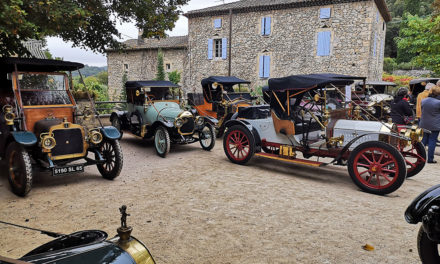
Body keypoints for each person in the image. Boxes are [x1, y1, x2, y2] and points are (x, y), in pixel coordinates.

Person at [419, 85, 440, 163]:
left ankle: (420, 157)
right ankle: (430, 159)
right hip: (435, 125)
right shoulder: (438, 103)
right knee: (432, 141)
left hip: (424, 123)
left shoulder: (424, 100)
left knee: (423, 140)